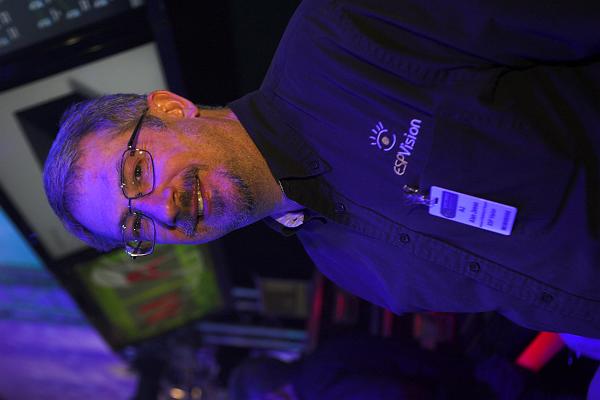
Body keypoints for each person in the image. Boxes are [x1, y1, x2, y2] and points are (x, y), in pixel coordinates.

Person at [44, 0, 600, 337]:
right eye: (135, 226)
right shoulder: (347, 268)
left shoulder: (346, 31)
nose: (162, 211)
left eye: (135, 174)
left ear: (170, 108)